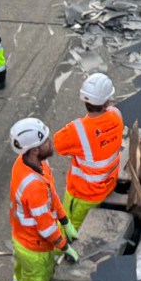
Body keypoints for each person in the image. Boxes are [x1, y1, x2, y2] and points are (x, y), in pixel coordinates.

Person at [3, 117, 75, 281]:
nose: (50, 143)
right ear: (34, 150)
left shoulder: (31, 165)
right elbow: (44, 227)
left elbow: (52, 194)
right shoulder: (33, 185)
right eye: (45, 141)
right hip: (36, 249)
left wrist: (64, 220)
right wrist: (65, 247)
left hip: (22, 241)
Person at [53, 72, 124, 229]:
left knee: (70, 226)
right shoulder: (116, 115)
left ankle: (63, 252)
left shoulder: (77, 130)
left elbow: (58, 145)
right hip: (108, 184)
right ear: (107, 102)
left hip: (83, 194)